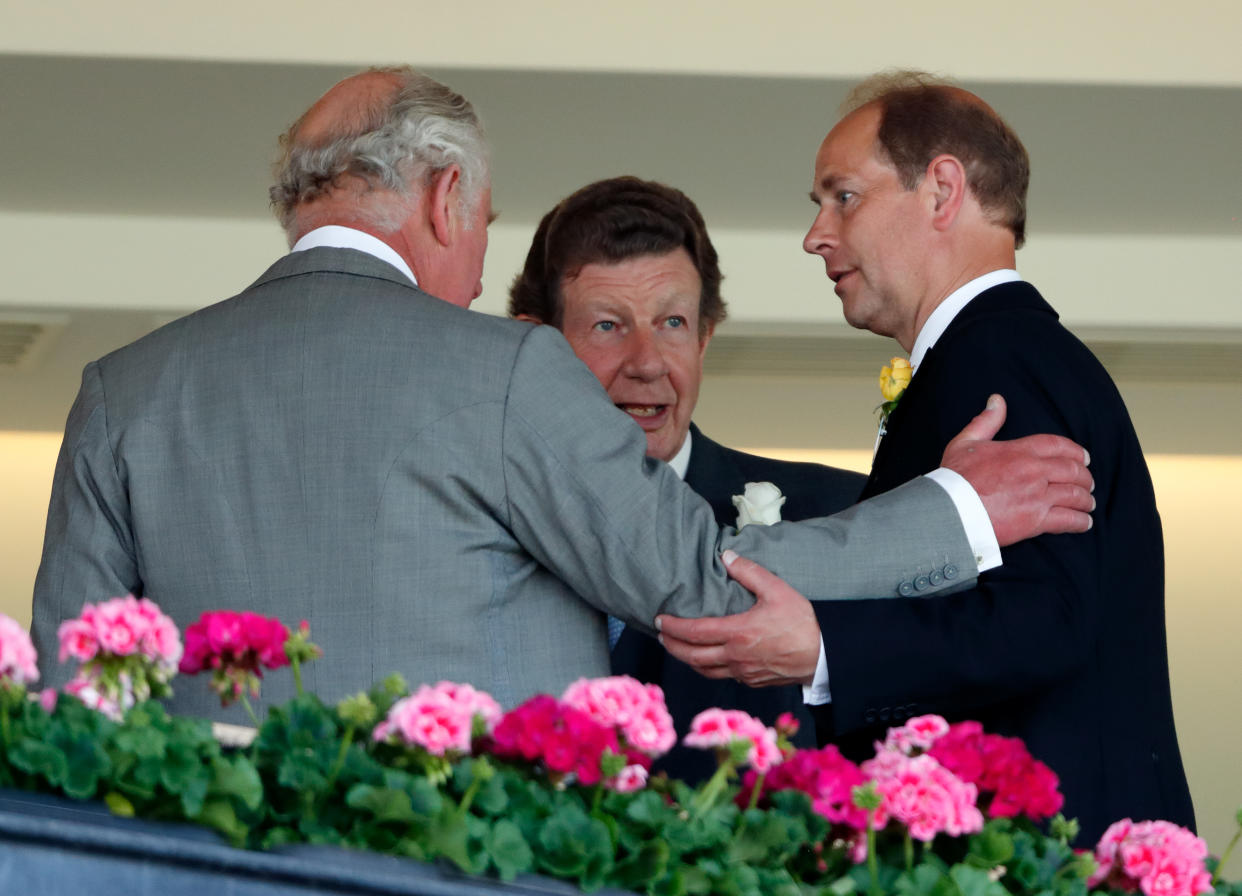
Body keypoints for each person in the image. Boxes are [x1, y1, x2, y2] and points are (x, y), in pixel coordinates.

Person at [30, 66, 1093, 728]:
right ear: (448, 197)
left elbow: (74, 704)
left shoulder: (122, 392)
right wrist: (953, 510)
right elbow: (697, 579)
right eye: (486, 223)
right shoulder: (505, 368)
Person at [658, 72, 1194, 841]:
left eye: (842, 196)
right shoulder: (1001, 356)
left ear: (943, 189)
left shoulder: (997, 359)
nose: (815, 234)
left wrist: (823, 649)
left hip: (1042, 854)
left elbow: (1048, 619)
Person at [508, 175, 866, 782]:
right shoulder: (476, 527)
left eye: (671, 322)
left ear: (705, 338)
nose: (647, 363)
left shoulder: (838, 511)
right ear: (536, 347)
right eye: (607, 325)